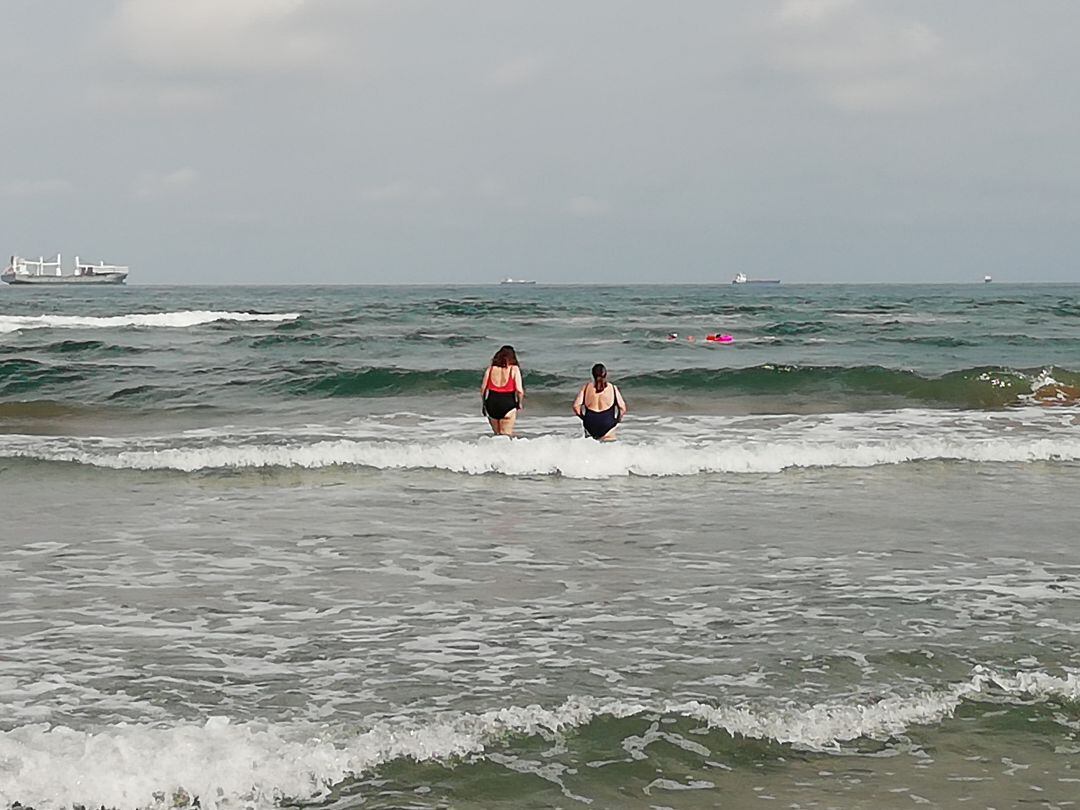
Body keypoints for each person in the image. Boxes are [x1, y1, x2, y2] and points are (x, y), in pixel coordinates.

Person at [573, 363, 627, 441]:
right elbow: (622, 408)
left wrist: (583, 418)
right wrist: (618, 419)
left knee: (590, 448)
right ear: (605, 374)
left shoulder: (586, 388)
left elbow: (576, 406)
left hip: (590, 423)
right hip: (607, 423)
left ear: (593, 375)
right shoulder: (613, 388)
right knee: (608, 449)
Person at [481, 345, 525, 436]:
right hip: (508, 403)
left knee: (497, 435)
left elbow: (483, 389)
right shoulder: (514, 369)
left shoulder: (490, 369)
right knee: (506, 436)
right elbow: (519, 390)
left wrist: (484, 404)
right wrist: (519, 403)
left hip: (492, 404)